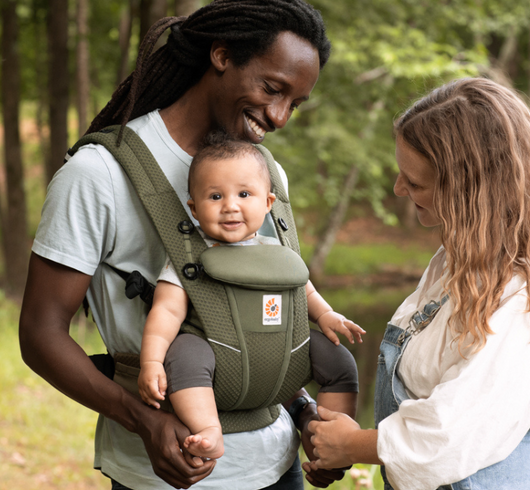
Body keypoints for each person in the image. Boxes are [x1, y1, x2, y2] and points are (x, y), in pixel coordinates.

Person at [19, 0, 349, 490]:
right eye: (272, 89)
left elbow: (262, 322)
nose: (278, 116)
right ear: (221, 55)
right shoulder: (99, 175)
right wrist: (141, 420)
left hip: (275, 485)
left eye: (294, 103)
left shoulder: (264, 177)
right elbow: (41, 334)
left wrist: (307, 417)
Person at [306, 77, 530, 490]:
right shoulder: (460, 261)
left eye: (417, 181)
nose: (400, 189)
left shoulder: (529, 294)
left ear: (471, 188)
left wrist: (351, 445)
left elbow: (455, 426)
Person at [137, 133, 363, 460]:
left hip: (282, 353)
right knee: (184, 352)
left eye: (244, 194)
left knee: (338, 357)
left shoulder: (277, 251)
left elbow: (303, 289)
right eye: (215, 196)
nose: (230, 206)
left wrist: (326, 315)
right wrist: (152, 362)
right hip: (217, 355)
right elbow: (166, 314)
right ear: (194, 209)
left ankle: (327, 434)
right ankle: (209, 429)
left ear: (268, 203)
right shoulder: (189, 258)